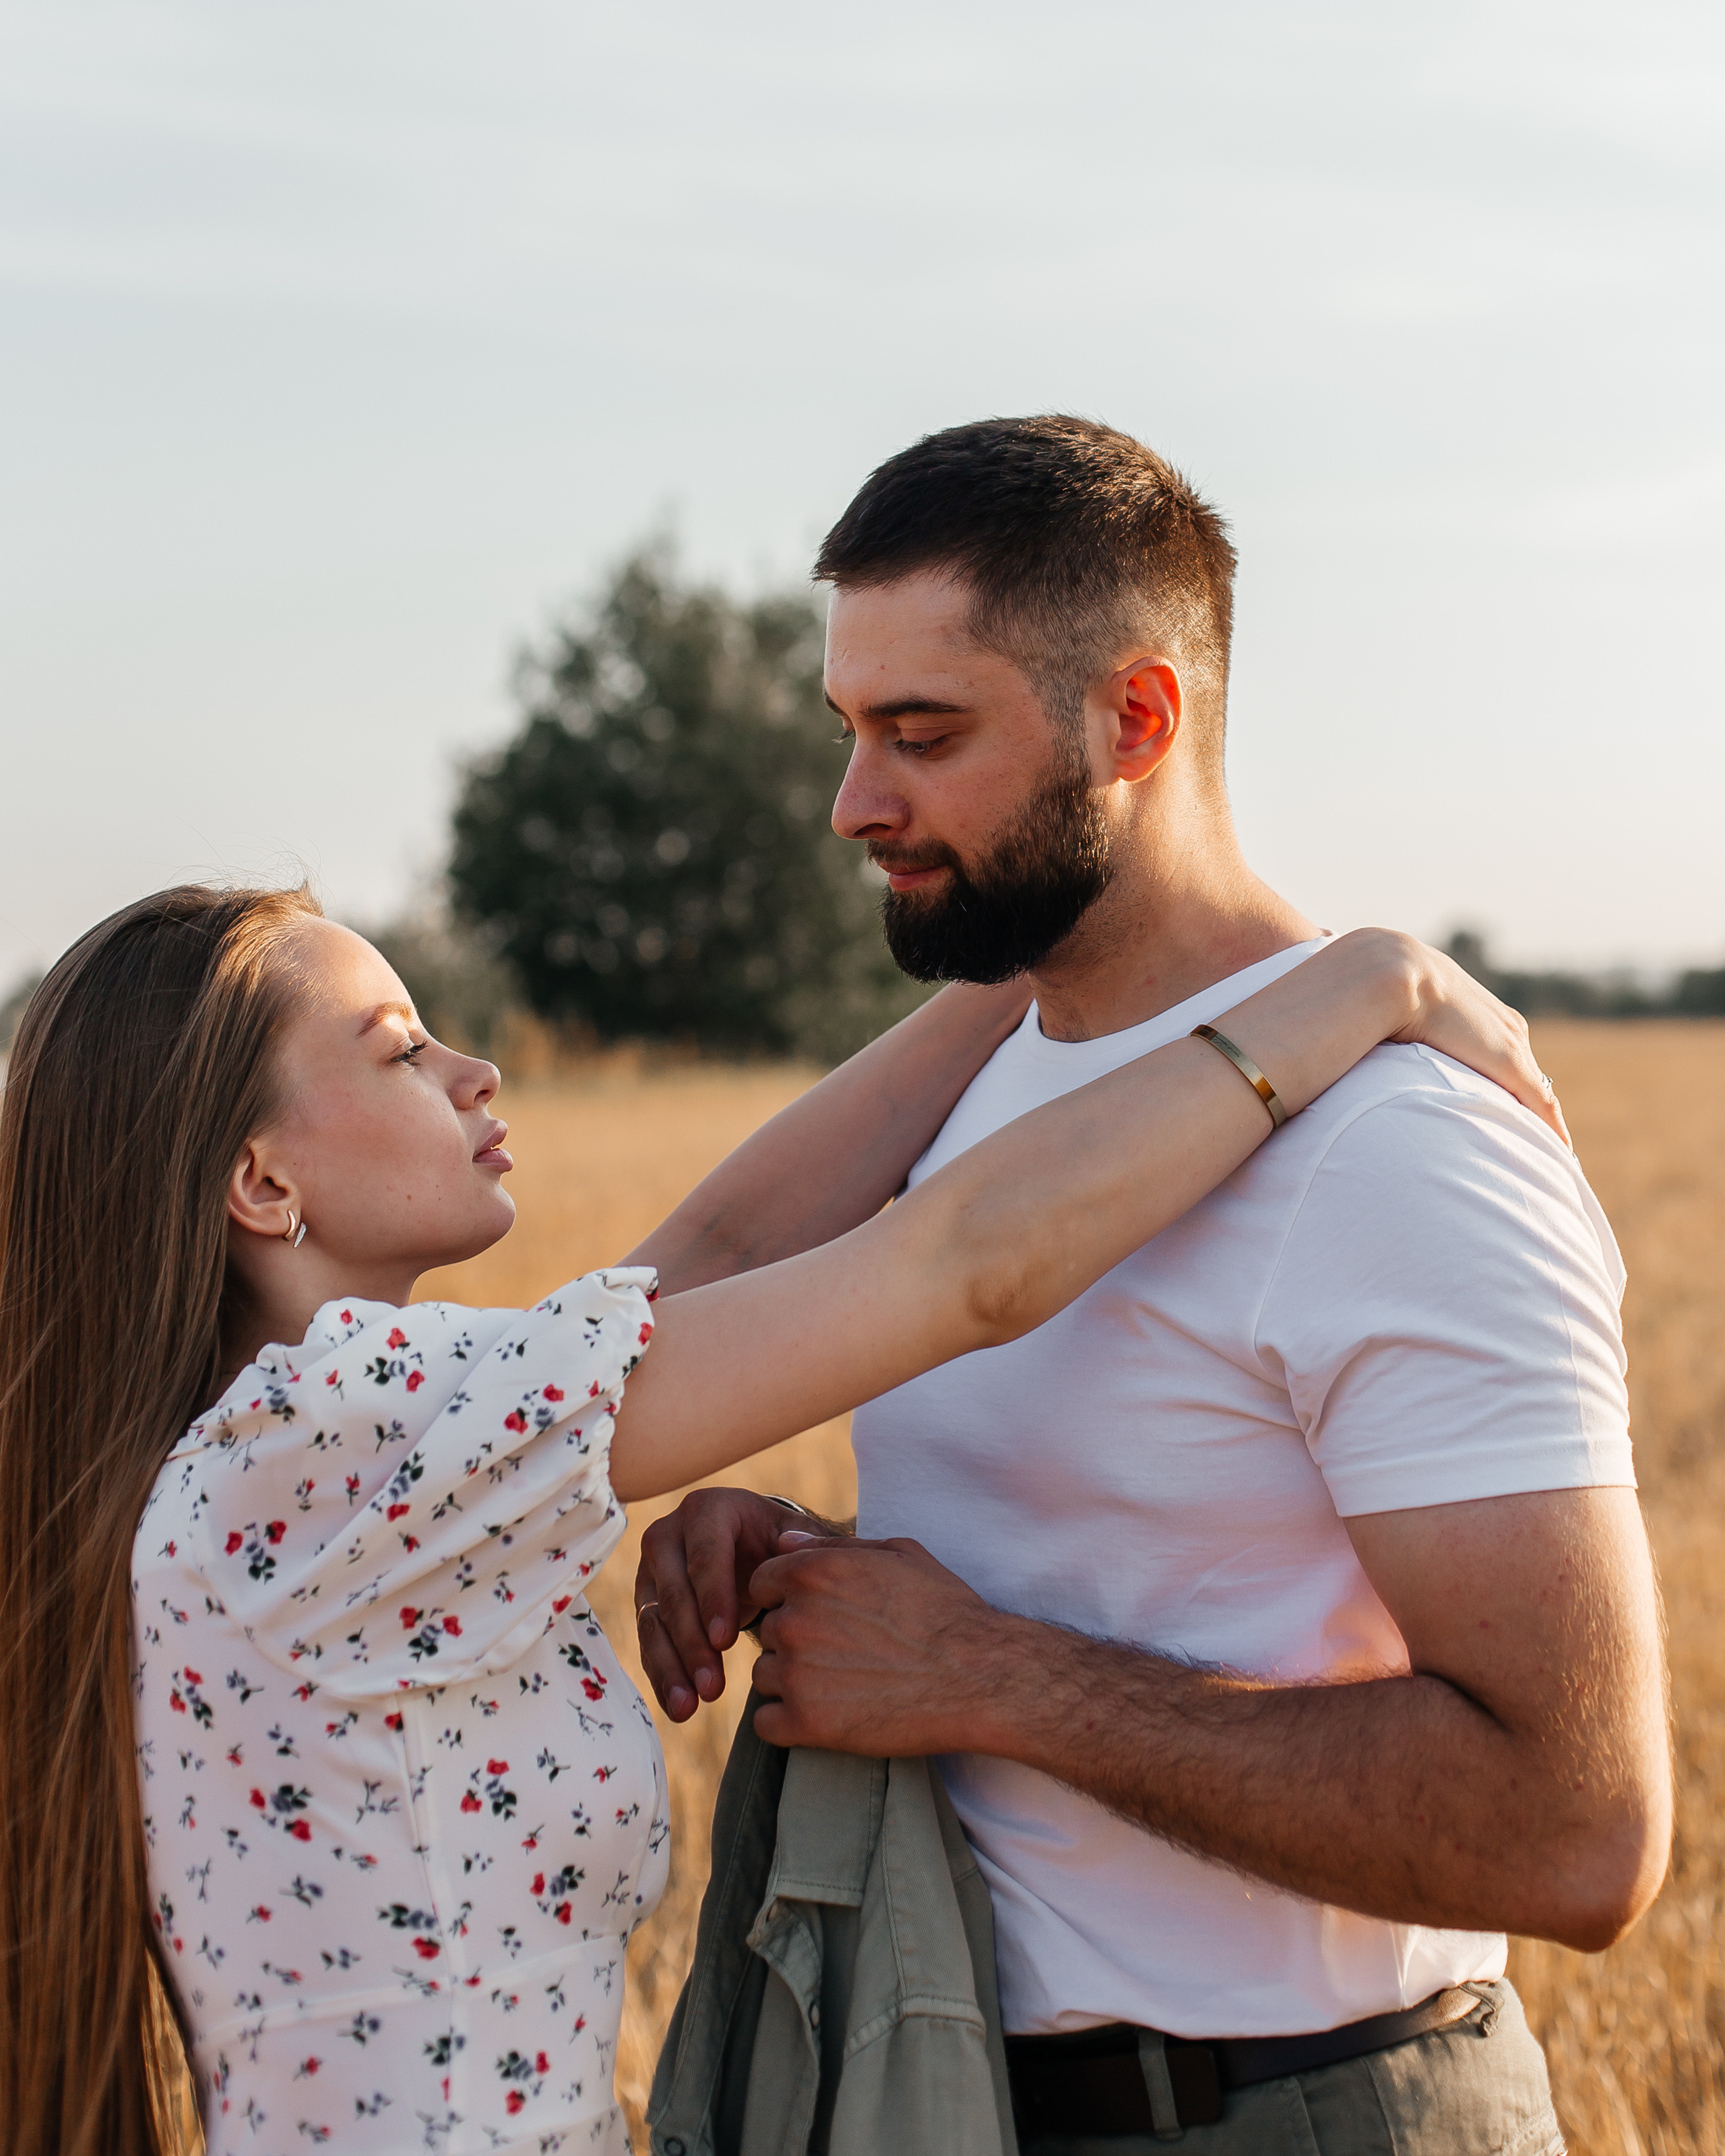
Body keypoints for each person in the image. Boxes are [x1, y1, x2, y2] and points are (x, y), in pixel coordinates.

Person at [0, 883, 1542, 2156]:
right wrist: (1362, 985)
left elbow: (724, 1247)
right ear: (261, 1183)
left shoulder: (321, 1462)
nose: (474, 1070)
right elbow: (960, 1266)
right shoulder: (338, 1438)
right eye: (402, 1051)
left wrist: (1043, 943)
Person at [633, 417, 1672, 2153]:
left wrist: (991, 1674)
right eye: (849, 732)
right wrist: (818, 1575)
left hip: (1299, 2111)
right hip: (962, 2095)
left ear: (1136, 720)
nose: (851, 802)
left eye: (923, 735)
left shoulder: (1395, 1152)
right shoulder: (985, 1085)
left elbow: (1574, 1831)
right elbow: (706, 1284)